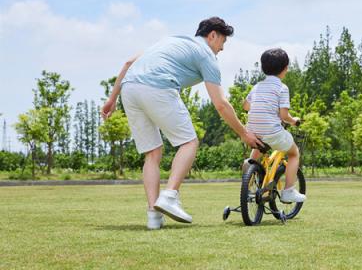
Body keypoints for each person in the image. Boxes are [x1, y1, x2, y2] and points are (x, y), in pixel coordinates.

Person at [101, 17, 262, 230]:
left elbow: (128, 63)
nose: (221, 49)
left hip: (129, 89)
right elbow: (221, 104)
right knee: (189, 142)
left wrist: (112, 99)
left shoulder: (170, 41)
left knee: (153, 153)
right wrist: (244, 133)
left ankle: (154, 216)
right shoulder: (206, 55)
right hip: (157, 87)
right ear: (212, 35)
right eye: (222, 42)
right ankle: (170, 196)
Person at [243, 48, 307, 203]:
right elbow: (284, 116)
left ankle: (248, 178)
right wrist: (294, 121)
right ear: (285, 68)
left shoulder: (257, 86)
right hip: (272, 131)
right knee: (294, 153)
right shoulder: (282, 88)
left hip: (252, 131)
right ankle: (288, 191)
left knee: (256, 152)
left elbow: (245, 106)